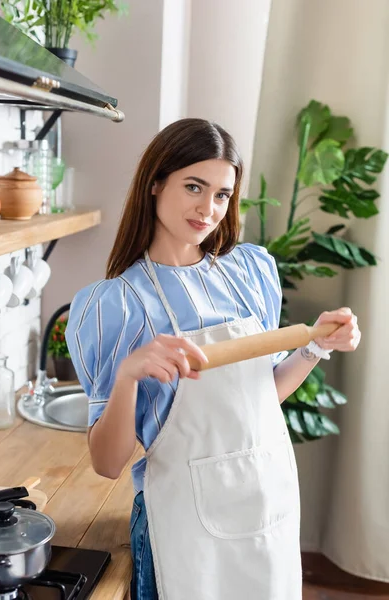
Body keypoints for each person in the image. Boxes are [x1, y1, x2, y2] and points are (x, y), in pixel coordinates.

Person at [66, 118, 361, 600]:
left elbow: (260, 395)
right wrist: (127, 377)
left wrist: (315, 346)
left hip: (266, 504)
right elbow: (106, 463)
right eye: (194, 187)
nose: (208, 209)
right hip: (183, 524)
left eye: (222, 194)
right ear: (156, 183)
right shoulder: (118, 303)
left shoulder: (250, 272)